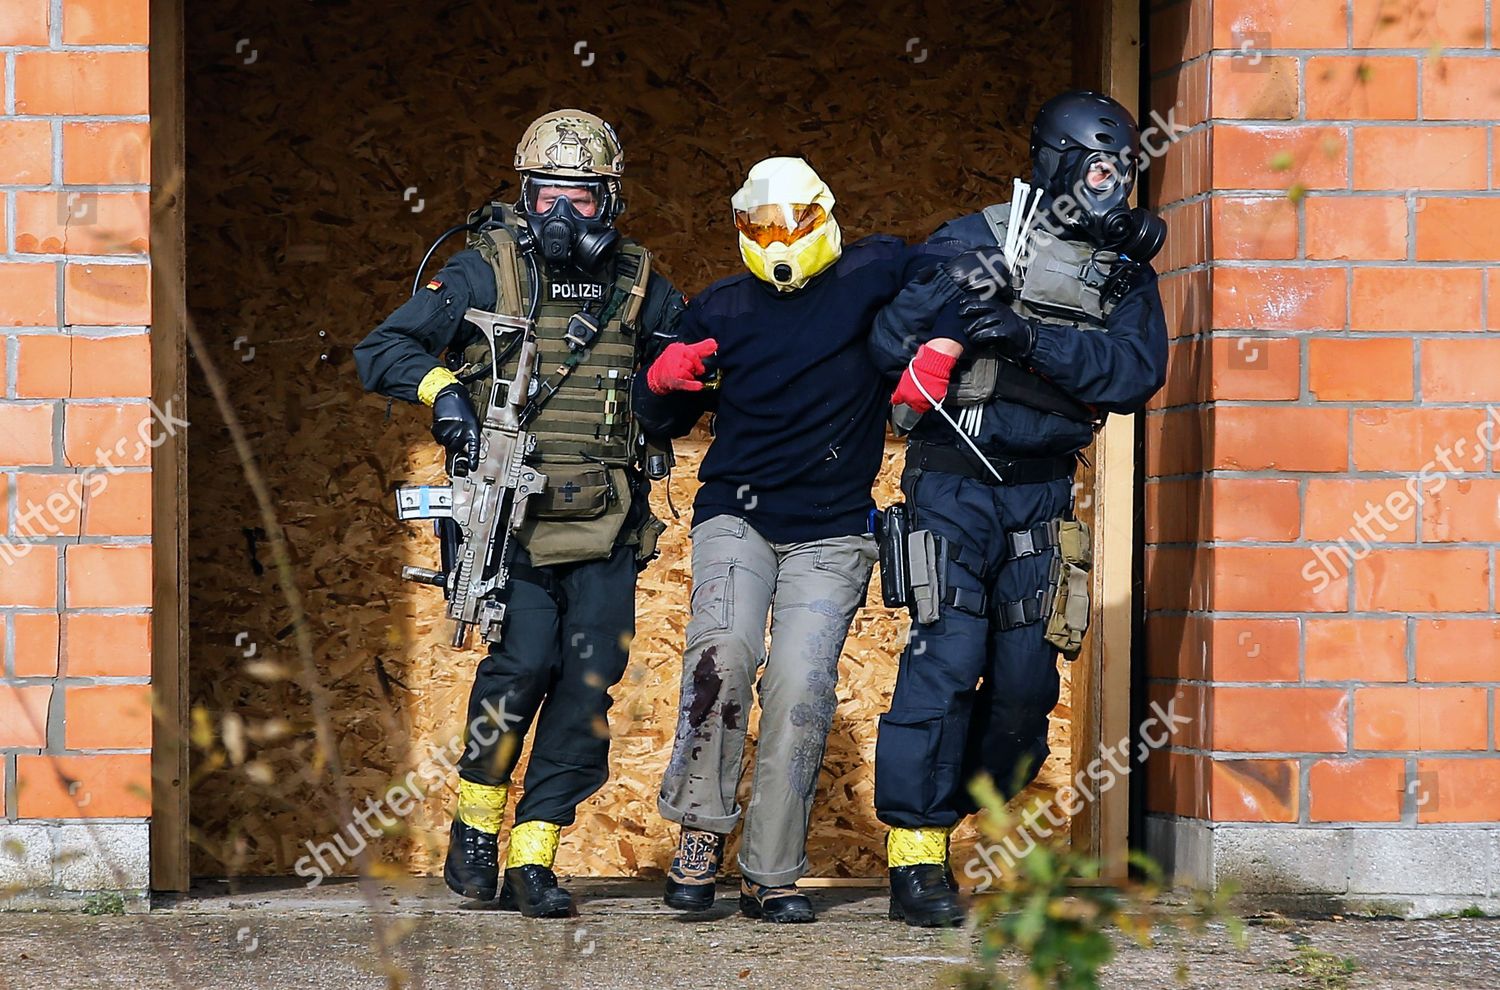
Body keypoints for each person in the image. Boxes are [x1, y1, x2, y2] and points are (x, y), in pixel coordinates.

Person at [354, 109, 686, 917]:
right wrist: (449, 401)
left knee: (588, 685)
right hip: (512, 520)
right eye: (546, 198)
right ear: (524, 195)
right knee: (520, 666)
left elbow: (677, 382)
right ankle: (476, 825)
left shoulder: (639, 279)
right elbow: (383, 351)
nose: (562, 217)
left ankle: (535, 854)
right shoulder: (484, 271)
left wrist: (680, 387)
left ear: (609, 203)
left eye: (581, 199)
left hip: (608, 521)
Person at [867, 90, 1169, 927]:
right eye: (1099, 169)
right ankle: (917, 856)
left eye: (1125, 173)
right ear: (1061, 165)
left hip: (1041, 490)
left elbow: (1134, 376)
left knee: (1026, 689)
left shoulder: (1122, 273)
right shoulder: (975, 238)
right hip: (951, 481)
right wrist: (949, 305)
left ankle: (958, 802)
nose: (1112, 187)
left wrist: (1027, 337)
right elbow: (887, 344)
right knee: (944, 656)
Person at [634, 157, 950, 923]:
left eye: (792, 225)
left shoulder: (871, 273)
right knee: (723, 658)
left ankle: (770, 872)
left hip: (834, 532)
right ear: (742, 230)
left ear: (823, 217)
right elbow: (660, 419)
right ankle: (701, 836)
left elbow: (956, 268)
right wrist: (659, 380)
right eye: (762, 228)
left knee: (801, 690)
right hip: (735, 517)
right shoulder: (722, 309)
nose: (778, 240)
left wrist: (939, 349)